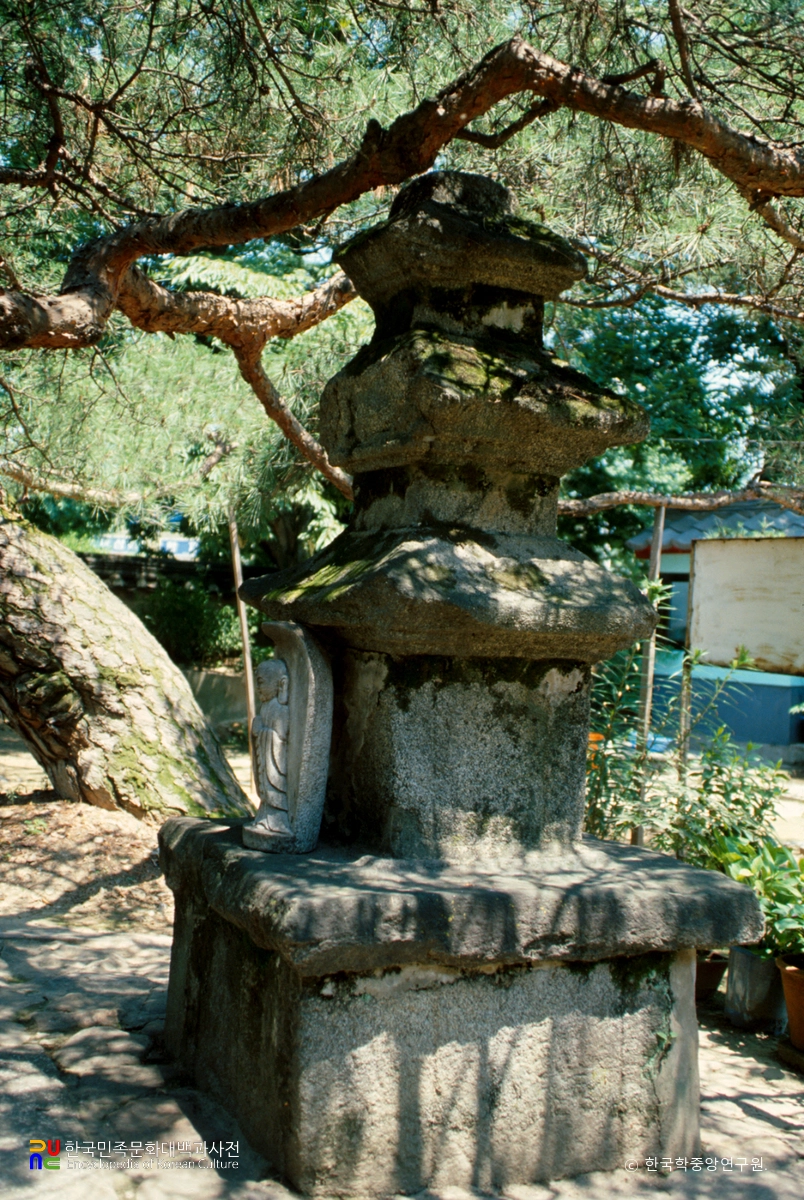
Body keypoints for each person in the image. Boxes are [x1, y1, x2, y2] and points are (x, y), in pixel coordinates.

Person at [250, 657, 292, 837]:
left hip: (275, 765)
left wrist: (262, 732)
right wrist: (256, 729)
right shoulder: (265, 708)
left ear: (280, 684)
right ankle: (264, 816)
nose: (258, 688)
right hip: (265, 764)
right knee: (265, 795)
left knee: (274, 793)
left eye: (261, 682)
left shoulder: (281, 710)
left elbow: (280, 737)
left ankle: (277, 821)